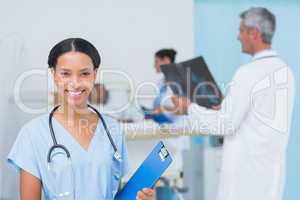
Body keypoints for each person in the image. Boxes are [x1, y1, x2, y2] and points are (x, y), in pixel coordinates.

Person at [7, 38, 154, 200]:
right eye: (65, 74)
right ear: (53, 74)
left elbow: (116, 194)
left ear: (94, 75)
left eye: (84, 73)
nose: (75, 83)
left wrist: (140, 198)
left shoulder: (112, 129)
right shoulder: (32, 134)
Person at [172, 7, 295, 200]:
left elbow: (225, 124)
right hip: (270, 176)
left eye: (241, 31)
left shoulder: (248, 72)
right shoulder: (285, 72)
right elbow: (258, 116)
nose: (238, 37)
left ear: (254, 33)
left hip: (244, 180)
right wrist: (227, 107)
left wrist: (189, 108)